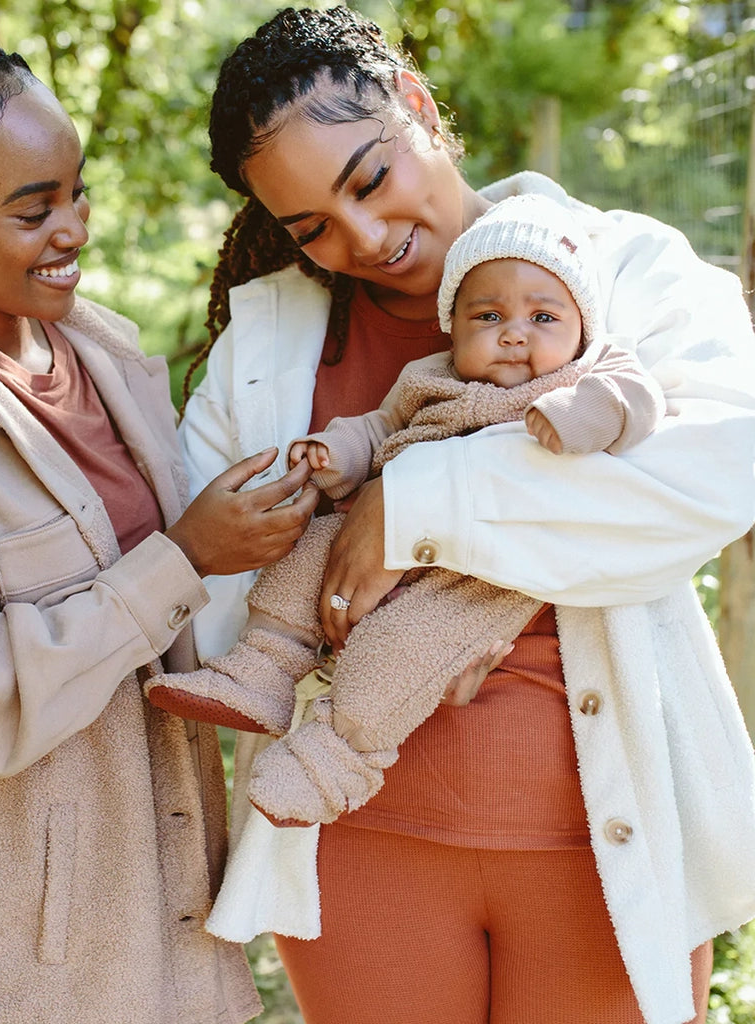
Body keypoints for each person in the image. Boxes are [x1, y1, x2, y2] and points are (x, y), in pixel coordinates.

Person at [174, 7, 755, 1024]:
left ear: (416, 106)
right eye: (311, 226)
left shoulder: (625, 268)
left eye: (369, 180)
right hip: (356, 837)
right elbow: (207, 587)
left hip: (600, 833)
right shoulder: (274, 336)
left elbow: (717, 472)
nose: (361, 239)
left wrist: (411, 501)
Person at [0, 38, 321, 1024]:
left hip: (165, 942)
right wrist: (186, 556)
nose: (73, 227)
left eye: (78, 192)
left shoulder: (101, 349)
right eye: (34, 209)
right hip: (9, 981)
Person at [148, 192, 665, 828]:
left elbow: (638, 401)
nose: (514, 333)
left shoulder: (585, 376)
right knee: (306, 555)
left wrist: (583, 416)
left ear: (582, 325)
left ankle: (339, 758)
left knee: (398, 651)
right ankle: (265, 666)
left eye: (544, 318)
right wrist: (335, 451)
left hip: (472, 583)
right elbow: (377, 427)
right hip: (367, 542)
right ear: (453, 325)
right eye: (488, 315)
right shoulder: (430, 375)